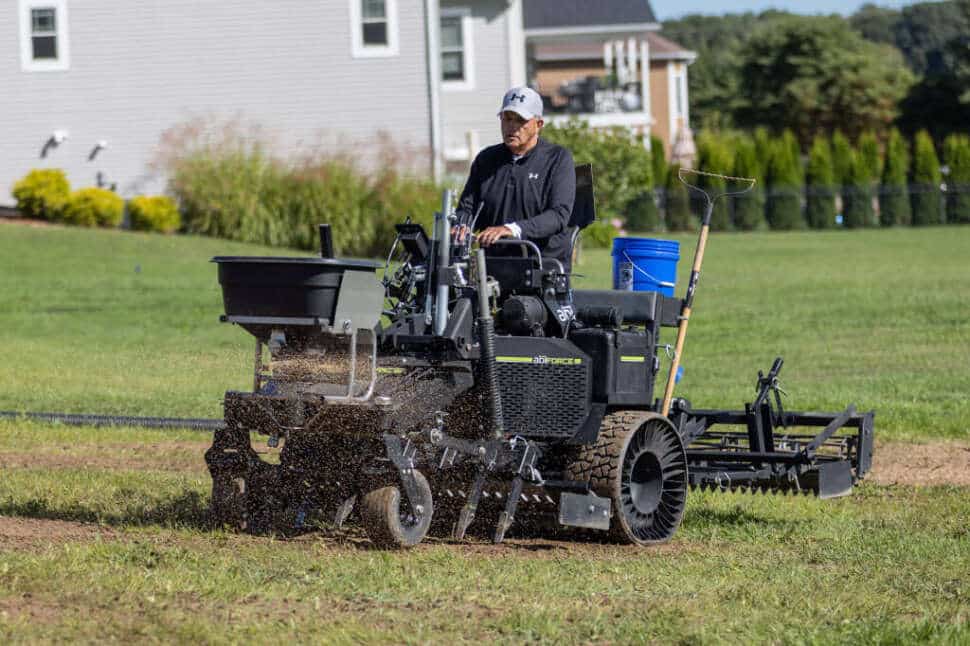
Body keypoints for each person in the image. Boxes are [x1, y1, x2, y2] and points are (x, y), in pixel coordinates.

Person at [455, 86, 576, 271]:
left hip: (541, 265)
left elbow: (559, 215)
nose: (512, 127)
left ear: (539, 124)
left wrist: (512, 229)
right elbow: (467, 208)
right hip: (492, 265)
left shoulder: (558, 159)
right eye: (507, 119)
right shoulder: (486, 159)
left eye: (520, 121)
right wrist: (461, 226)